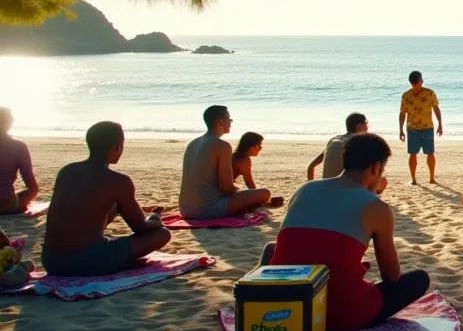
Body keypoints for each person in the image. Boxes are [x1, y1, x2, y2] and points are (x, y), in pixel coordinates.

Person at [261, 133, 430, 331]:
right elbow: (391, 276)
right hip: (340, 316)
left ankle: (263, 296)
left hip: (286, 309)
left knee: (272, 248)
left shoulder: (305, 189)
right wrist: (373, 193)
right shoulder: (376, 207)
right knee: (419, 278)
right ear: (376, 168)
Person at [41, 122, 172, 277]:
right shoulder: (119, 181)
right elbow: (140, 227)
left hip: (50, 260)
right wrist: (156, 218)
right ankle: (113, 261)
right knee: (163, 234)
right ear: (117, 147)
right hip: (85, 262)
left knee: (115, 206)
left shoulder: (67, 171)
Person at [179, 106, 272, 219]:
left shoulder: (193, 143)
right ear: (221, 121)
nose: (231, 122)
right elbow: (227, 188)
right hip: (207, 209)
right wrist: (241, 191)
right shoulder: (222, 146)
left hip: (185, 209)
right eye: (229, 118)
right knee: (265, 193)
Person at [399, 71, 443, 185]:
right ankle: (413, 179)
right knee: (413, 153)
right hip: (412, 128)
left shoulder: (429, 93)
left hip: (427, 127)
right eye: (421, 79)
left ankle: (432, 178)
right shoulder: (406, 95)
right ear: (418, 81)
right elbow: (402, 113)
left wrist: (440, 124)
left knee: (430, 152)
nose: (422, 81)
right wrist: (400, 130)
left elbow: (436, 109)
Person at [307, 113, 372, 184]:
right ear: (358, 126)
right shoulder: (359, 141)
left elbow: (311, 166)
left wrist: (311, 186)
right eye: (366, 124)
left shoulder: (334, 140)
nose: (367, 128)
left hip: (326, 188)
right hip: (346, 189)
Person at [0, 108, 39, 215]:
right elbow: (30, 183)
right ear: (9, 123)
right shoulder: (18, 147)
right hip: (5, 205)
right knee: (30, 191)